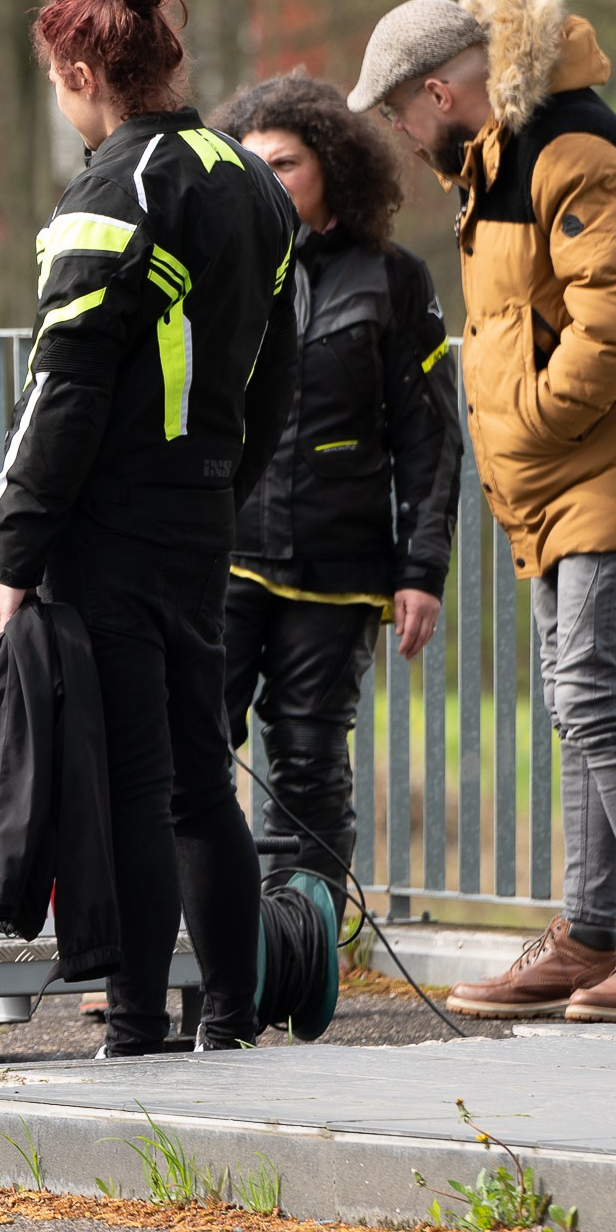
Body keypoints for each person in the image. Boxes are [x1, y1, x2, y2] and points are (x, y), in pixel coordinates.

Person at [0, 0, 300, 1054]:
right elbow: (276, 378)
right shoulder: (252, 180)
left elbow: (62, 386)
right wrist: (222, 484)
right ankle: (230, 1016)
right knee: (200, 775)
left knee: (128, 775)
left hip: (109, 527)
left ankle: (130, 1025)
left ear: (82, 69)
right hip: (202, 513)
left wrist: (13, 550)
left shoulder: (115, 186)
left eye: (58, 80)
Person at [353, 0, 616, 1022]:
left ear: (440, 93)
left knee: (598, 696)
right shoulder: (500, 162)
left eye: (405, 122)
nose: (411, 151)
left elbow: (610, 320)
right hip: (557, 486)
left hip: (596, 473)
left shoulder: (573, 149)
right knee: (575, 705)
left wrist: (530, 425)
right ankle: (591, 931)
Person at [212, 73, 461, 922]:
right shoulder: (213, 274)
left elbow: (432, 435)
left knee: (311, 760)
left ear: (333, 171)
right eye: (253, 165)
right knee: (188, 743)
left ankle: (301, 948)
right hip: (225, 555)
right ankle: (184, 942)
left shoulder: (393, 278)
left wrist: (423, 568)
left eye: (286, 163)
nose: (269, 179)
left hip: (340, 563)